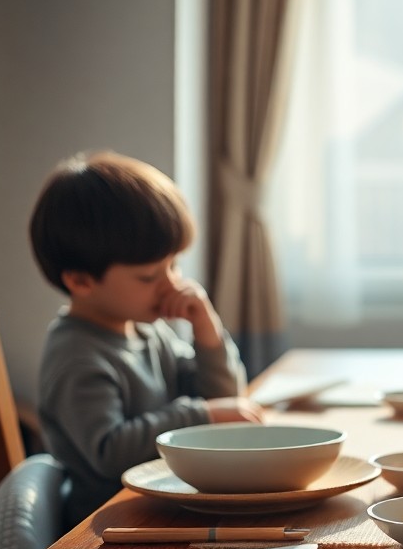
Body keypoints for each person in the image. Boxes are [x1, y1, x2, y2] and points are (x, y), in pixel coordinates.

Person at [29, 151, 263, 525]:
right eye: (149, 276)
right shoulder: (76, 355)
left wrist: (207, 329)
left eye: (174, 265)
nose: (171, 284)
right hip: (112, 526)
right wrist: (201, 415)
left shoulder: (147, 329)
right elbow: (109, 452)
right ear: (80, 280)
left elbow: (224, 399)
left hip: (167, 506)